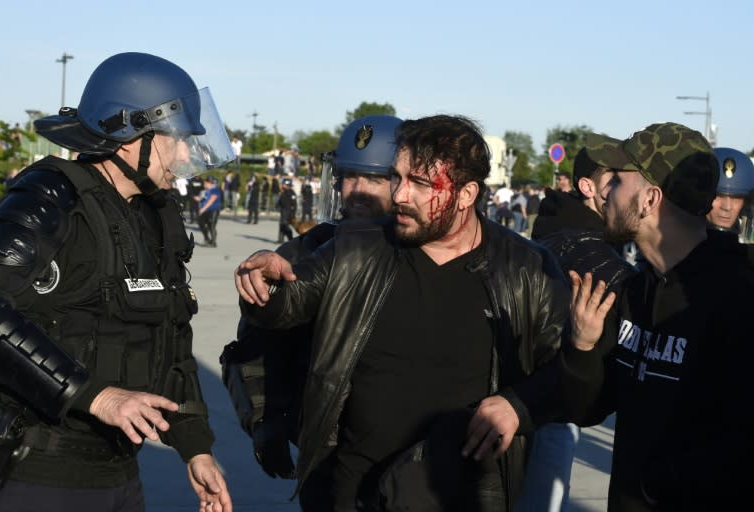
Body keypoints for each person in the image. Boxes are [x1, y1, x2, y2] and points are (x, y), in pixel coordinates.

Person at [235, 115, 572, 511]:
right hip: (347, 494)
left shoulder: (527, 269)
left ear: (466, 195)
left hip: (458, 497)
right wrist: (268, 286)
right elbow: (282, 310)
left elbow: (569, 379)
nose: (398, 195)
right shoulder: (352, 246)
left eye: (419, 184)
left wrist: (519, 403)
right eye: (396, 178)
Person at [0, 52, 232, 512]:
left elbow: (169, 336)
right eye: (177, 139)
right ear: (128, 137)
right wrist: (94, 396)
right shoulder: (49, 199)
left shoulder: (155, 218)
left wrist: (195, 445)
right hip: (37, 474)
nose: (186, 154)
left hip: (119, 475)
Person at [567, 122, 754, 510]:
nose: (604, 193)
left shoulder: (739, 303)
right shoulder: (635, 291)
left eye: (617, 181)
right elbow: (586, 410)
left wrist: (658, 482)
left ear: (650, 199)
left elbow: (742, 448)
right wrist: (583, 347)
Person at [220, 114, 401, 486]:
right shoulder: (305, 251)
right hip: (328, 454)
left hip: (410, 455)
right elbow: (253, 351)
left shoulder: (427, 256)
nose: (357, 190)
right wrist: (263, 420)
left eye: (373, 179)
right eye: (350, 176)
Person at [519, 148, 634, 512]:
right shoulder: (588, 249)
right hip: (551, 407)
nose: (622, 190)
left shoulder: (561, 224)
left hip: (534, 398)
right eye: (613, 181)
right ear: (587, 186)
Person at [706, 147, 754, 275]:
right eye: (718, 195)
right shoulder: (677, 253)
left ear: (746, 203)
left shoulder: (753, 261)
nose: (727, 206)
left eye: (736, 198)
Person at [198, 176, 222, 247]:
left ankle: (213, 242)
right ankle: (207, 239)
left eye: (205, 182)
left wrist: (203, 209)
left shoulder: (215, 189)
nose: (204, 184)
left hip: (213, 210)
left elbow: (211, 200)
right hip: (205, 210)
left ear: (209, 183)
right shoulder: (206, 190)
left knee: (211, 226)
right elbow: (203, 199)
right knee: (201, 223)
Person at [275, 177, 297, 243]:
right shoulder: (283, 192)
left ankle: (290, 240)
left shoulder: (292, 193)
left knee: (286, 226)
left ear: (287, 185)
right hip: (283, 211)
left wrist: (293, 214)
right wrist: (277, 207)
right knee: (281, 225)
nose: (282, 185)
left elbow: (295, 205)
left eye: (283, 184)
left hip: (289, 212)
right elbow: (279, 202)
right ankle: (280, 239)